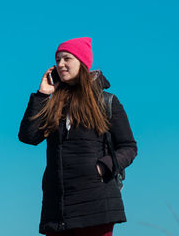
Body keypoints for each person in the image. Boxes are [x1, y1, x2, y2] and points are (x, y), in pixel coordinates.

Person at [18, 37, 137, 236]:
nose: (60, 64)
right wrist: (41, 95)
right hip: (58, 208)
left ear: (82, 62)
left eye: (66, 59)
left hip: (97, 204)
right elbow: (29, 137)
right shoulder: (53, 103)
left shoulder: (106, 101)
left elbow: (129, 147)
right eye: (57, 60)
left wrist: (102, 167)